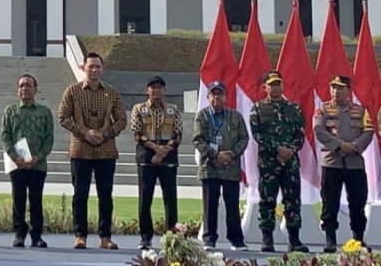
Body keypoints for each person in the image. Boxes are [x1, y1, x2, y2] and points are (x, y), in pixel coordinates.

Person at [57, 51, 126, 250]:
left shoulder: (112, 92)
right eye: (91, 66)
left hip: (106, 150)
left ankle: (105, 237)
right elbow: (63, 116)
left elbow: (122, 119)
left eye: (98, 66)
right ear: (83, 68)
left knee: (105, 195)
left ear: (102, 69)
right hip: (80, 149)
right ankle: (80, 236)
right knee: (80, 195)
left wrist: (105, 134)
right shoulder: (72, 91)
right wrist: (85, 132)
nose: (94, 70)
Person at [249, 70, 308, 252]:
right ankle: (267, 239)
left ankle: (294, 240)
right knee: (267, 200)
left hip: (290, 162)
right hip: (269, 163)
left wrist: (291, 150)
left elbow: (301, 132)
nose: (276, 87)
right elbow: (258, 134)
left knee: (292, 201)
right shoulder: (257, 108)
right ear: (264, 87)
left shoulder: (294, 108)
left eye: (278, 84)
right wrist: (278, 149)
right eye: (272, 84)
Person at [314, 75, 374, 252]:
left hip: (355, 163)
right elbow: (319, 130)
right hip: (332, 163)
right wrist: (340, 145)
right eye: (333, 87)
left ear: (348, 90)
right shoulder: (323, 110)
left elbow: (369, 131)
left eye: (340, 88)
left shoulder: (360, 111)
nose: (335, 91)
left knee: (358, 202)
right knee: (329, 202)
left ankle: (358, 239)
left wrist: (354, 146)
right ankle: (330, 240)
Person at [191, 81, 248, 251]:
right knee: (210, 205)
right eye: (213, 94)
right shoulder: (202, 115)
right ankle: (209, 239)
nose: (217, 97)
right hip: (210, 167)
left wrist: (231, 154)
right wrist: (216, 155)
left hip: (230, 167)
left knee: (232, 206)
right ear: (208, 97)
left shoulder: (235, 116)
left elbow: (243, 139)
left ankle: (236, 240)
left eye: (220, 94)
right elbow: (197, 139)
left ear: (226, 97)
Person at [0, 74, 54, 249]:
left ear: (36, 89)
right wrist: (15, 157)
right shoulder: (10, 111)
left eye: (29, 85)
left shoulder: (44, 112)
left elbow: (49, 138)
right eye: (21, 86)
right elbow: (5, 136)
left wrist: (38, 157)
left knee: (36, 201)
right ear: (17, 90)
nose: (25, 88)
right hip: (18, 164)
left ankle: (37, 235)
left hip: (38, 165)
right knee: (19, 200)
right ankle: (19, 234)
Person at [130, 75, 181, 250]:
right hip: (146, 160)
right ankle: (145, 237)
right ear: (147, 90)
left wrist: (163, 151)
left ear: (165, 90)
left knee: (171, 199)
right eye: (153, 87)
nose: (156, 90)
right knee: (145, 200)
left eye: (159, 87)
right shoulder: (138, 109)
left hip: (168, 160)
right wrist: (156, 148)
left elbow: (178, 135)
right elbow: (137, 134)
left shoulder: (174, 110)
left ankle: (172, 237)